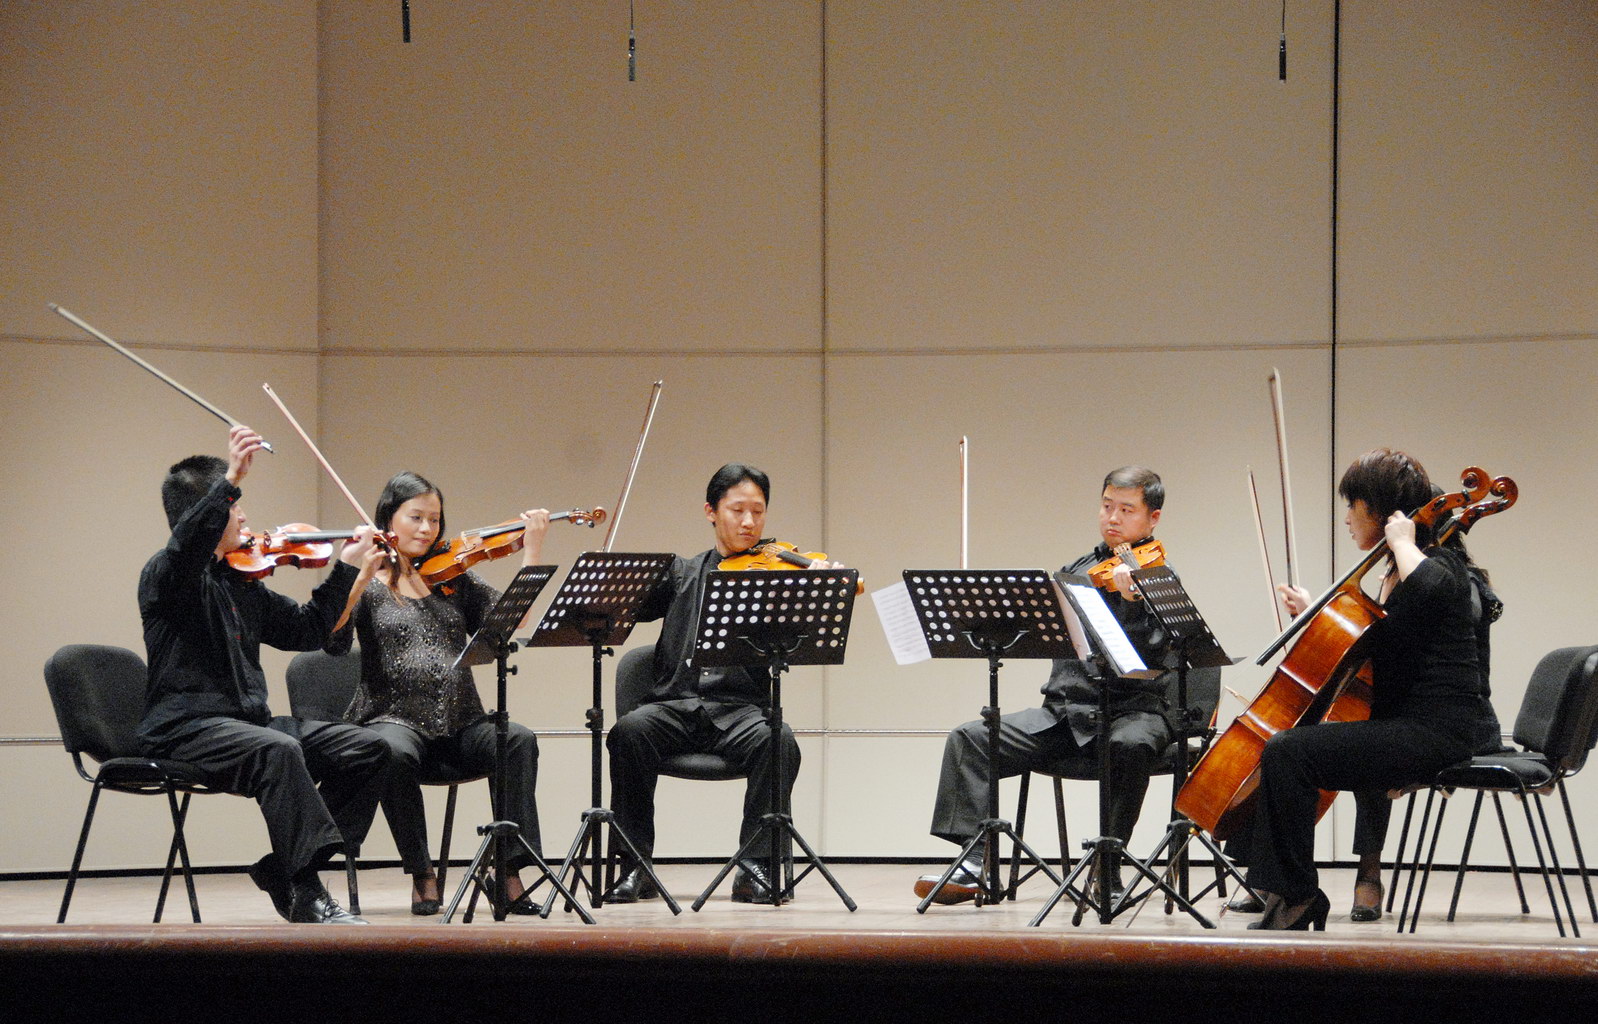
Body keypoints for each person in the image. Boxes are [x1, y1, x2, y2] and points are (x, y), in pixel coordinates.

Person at [138, 425, 390, 924]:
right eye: (235, 507)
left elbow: (308, 629)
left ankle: (284, 868)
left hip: (244, 724)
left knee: (369, 749)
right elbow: (186, 549)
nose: (244, 516)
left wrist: (346, 567)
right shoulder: (167, 576)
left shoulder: (241, 581)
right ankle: (307, 892)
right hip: (184, 728)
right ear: (207, 511)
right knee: (279, 750)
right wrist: (231, 477)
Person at [1245, 448, 1499, 930]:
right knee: (1285, 750)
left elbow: (1431, 587)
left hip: (1438, 731)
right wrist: (1316, 617)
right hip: (1407, 727)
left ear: (1379, 511)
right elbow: (1370, 647)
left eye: (1353, 505)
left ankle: (1296, 896)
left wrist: (1403, 542)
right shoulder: (1394, 575)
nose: (1346, 517)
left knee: (1288, 753)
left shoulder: (1441, 565)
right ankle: (1287, 892)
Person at [917, 466, 1178, 904]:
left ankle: (1108, 866)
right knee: (971, 739)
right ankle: (974, 861)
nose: (1113, 518)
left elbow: (1153, 659)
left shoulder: (1160, 579)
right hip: (1065, 715)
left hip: (1132, 712)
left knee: (1131, 745)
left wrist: (1133, 603)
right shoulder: (1077, 570)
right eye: (1107, 506)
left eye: (1126, 510)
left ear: (1153, 519)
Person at [606, 463, 839, 905]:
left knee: (778, 741)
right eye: (737, 510)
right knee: (628, 732)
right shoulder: (681, 573)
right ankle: (634, 865)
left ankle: (754, 867)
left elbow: (803, 637)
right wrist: (613, 579)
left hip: (739, 712)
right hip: (674, 706)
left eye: (758, 511)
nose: (749, 522)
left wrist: (817, 588)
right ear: (711, 512)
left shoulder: (776, 576)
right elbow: (625, 608)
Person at [327, 472, 549, 915]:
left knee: (517, 740)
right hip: (393, 719)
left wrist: (532, 550)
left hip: (460, 720)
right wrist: (355, 577)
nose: (428, 528)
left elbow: (512, 621)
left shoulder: (454, 577)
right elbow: (333, 641)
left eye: (435, 519)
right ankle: (422, 872)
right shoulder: (368, 581)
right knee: (390, 752)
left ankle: (507, 871)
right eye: (416, 517)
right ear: (388, 518)